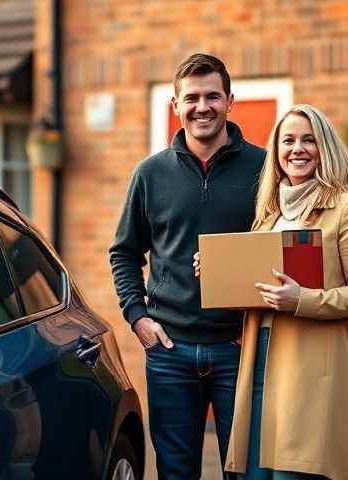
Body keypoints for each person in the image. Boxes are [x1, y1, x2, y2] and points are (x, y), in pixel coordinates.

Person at [195, 104, 348, 480]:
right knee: (256, 474)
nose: (297, 148)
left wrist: (302, 301)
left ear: (324, 147)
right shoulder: (269, 214)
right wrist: (217, 271)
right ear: (276, 151)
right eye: (288, 140)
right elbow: (256, 286)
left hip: (310, 366)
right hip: (259, 359)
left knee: (292, 474)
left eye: (308, 140)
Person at [109, 53, 266, 479]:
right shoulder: (150, 174)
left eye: (212, 96)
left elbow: (281, 248)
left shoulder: (266, 168)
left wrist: (257, 316)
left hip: (242, 349)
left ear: (230, 101)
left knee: (248, 472)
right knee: (176, 472)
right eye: (192, 98)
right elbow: (124, 253)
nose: (203, 106)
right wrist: (137, 317)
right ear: (176, 106)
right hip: (170, 351)